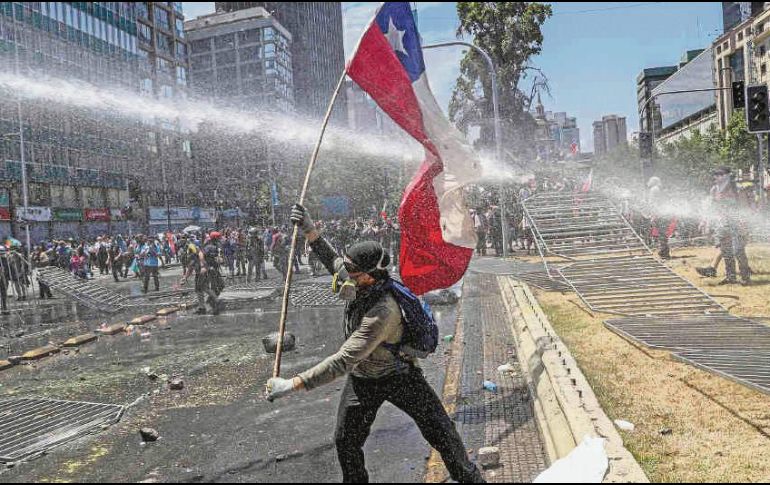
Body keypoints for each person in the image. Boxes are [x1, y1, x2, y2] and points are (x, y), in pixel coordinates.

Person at [266, 204, 485, 484]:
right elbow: (331, 259)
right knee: (346, 442)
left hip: (398, 376)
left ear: (371, 274)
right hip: (363, 380)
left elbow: (343, 360)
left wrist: (292, 384)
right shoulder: (361, 282)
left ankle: (471, 480)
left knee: (442, 434)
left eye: (352, 272)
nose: (344, 276)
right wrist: (310, 229)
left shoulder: (383, 312)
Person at [708, 167, 751, 285]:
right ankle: (730, 277)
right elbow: (713, 207)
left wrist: (744, 222)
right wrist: (707, 221)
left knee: (738, 250)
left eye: (719, 174)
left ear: (727, 175)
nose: (716, 177)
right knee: (726, 250)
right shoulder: (714, 190)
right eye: (715, 174)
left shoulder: (737, 189)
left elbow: (745, 207)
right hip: (722, 223)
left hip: (737, 222)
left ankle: (745, 277)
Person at [646, 176, 671, 260]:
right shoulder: (659, 189)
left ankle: (664, 251)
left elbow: (654, 203)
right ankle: (664, 251)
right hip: (662, 214)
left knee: (661, 233)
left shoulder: (654, 189)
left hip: (658, 214)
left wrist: (654, 215)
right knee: (662, 233)